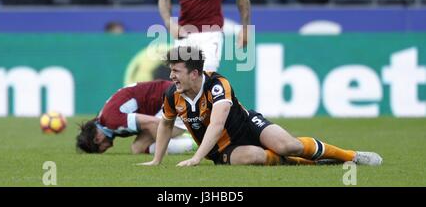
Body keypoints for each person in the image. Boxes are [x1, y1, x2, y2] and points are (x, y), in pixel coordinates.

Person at [139, 46, 383, 166]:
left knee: (290, 145)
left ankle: (352, 156)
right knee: (254, 157)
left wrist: (195, 158)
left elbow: (216, 123)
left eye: (175, 70)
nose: (170, 75)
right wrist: (156, 161)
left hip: (247, 125)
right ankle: (311, 163)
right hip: (222, 148)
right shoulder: (173, 94)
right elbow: (166, 124)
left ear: (194, 73)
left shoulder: (217, 84)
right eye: (171, 69)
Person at [76, 80, 196, 154]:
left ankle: (196, 141)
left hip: (173, 99)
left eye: (101, 150)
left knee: (163, 137)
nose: (107, 148)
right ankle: (187, 137)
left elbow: (153, 124)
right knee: (138, 148)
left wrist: (161, 156)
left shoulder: (111, 121)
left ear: (97, 139)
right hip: (166, 98)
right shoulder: (104, 120)